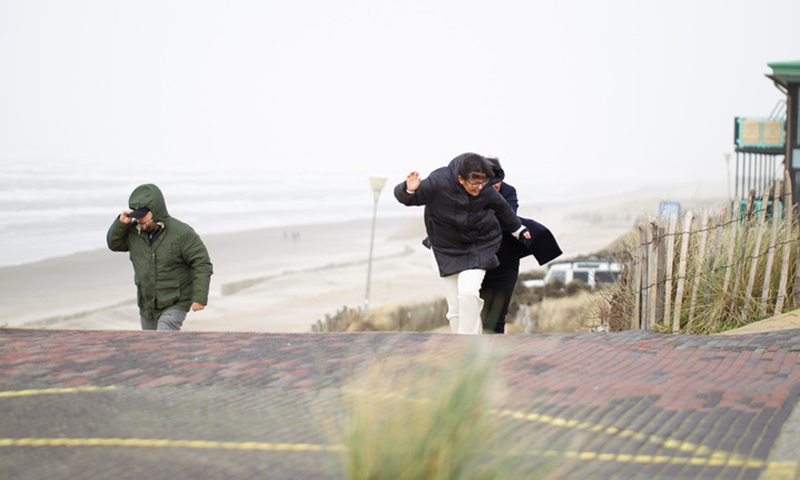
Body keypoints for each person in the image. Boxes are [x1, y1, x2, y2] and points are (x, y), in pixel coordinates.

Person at [394, 152, 531, 335]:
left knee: (469, 293)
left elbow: (503, 208)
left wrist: (519, 230)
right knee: (455, 307)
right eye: (474, 183)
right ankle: (462, 346)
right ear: (460, 178)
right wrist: (408, 189)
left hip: (479, 247)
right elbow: (409, 199)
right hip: (445, 249)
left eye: (482, 183)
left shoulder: (484, 187)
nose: (479, 188)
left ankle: (467, 342)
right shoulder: (438, 182)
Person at [107, 183, 213, 331]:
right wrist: (121, 224)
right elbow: (114, 244)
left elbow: (202, 263)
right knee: (151, 347)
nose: (139, 220)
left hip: (175, 301)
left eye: (142, 216)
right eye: (136, 216)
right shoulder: (134, 233)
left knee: (164, 341)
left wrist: (199, 298)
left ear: (155, 211)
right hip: (147, 305)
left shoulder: (181, 233)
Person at [480, 160, 563, 334]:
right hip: (478, 259)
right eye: (490, 180)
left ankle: (494, 355)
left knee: (498, 315)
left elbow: (507, 219)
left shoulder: (509, 191)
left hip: (506, 260)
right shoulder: (472, 191)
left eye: (497, 180)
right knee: (476, 313)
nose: (495, 185)